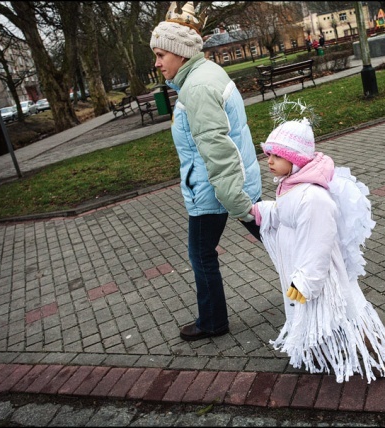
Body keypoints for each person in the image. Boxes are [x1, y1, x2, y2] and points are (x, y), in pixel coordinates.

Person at [249, 107, 385, 383]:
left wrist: (304, 285)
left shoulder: (312, 197)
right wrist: (264, 212)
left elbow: (318, 245)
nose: (268, 161)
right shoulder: (292, 185)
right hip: (305, 272)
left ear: (295, 159)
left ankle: (375, 354)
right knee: (328, 315)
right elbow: (287, 213)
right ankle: (335, 353)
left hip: (318, 276)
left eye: (276, 155)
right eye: (268, 154)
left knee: (345, 310)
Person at [150, 2, 262, 341]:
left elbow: (219, 151)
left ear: (180, 53)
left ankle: (212, 321)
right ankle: (314, 279)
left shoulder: (196, 88)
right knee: (276, 240)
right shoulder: (204, 75)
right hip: (231, 184)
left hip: (215, 189)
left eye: (160, 55)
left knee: (201, 254)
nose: (156, 63)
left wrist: (237, 202)